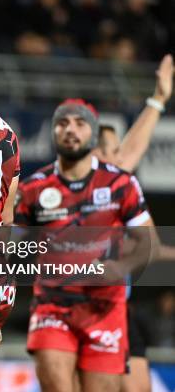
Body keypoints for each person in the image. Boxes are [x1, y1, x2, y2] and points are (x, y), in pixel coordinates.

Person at [15, 98, 157, 392]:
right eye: (62, 123)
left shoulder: (121, 184)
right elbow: (2, 251)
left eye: (80, 124)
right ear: (52, 132)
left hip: (105, 310)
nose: (70, 130)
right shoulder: (33, 189)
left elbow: (148, 243)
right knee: (56, 384)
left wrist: (119, 267)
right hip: (52, 307)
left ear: (93, 134)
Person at [92, 53, 173, 392]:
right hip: (83, 311)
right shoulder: (67, 190)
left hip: (119, 309)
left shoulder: (119, 192)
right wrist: (156, 100)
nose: (118, 156)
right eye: (110, 149)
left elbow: (150, 247)